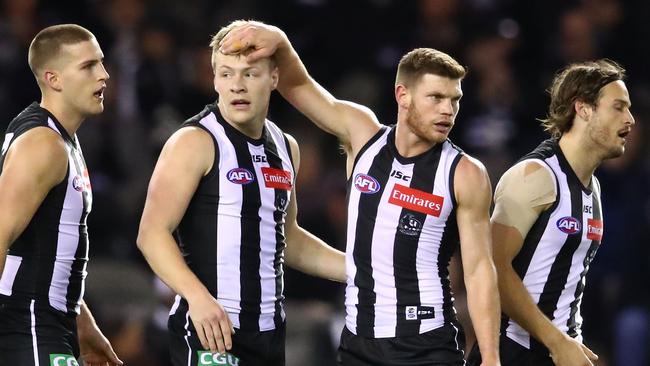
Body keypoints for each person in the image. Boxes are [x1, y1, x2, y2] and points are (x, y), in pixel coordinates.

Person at [220, 21, 501, 366]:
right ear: (403, 95)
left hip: (427, 343)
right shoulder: (363, 135)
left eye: (454, 100)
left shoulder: (464, 172)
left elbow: (478, 269)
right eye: (436, 98)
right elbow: (300, 87)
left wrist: (490, 356)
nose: (448, 110)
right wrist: (280, 42)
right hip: (358, 342)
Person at [136, 20, 346, 366]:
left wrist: (364, 268)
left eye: (249, 74)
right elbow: (151, 234)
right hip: (210, 329)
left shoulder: (285, 147)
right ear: (215, 79)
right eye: (226, 74)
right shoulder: (194, 141)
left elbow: (288, 239)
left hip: (269, 331)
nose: (237, 86)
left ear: (274, 78)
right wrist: (197, 299)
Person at [466, 59, 635, 366]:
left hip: (559, 351)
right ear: (583, 109)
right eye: (618, 107)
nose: (630, 119)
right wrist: (557, 341)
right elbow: (493, 268)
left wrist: (568, 341)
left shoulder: (592, 187)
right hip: (514, 352)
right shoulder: (536, 175)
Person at [0, 24, 122, 365]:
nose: (105, 75)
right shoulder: (44, 144)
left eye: (101, 62)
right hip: (28, 324)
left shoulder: (62, 138)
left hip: (49, 323)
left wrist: (83, 324)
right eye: (88, 66)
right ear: (54, 79)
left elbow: (49, 247)